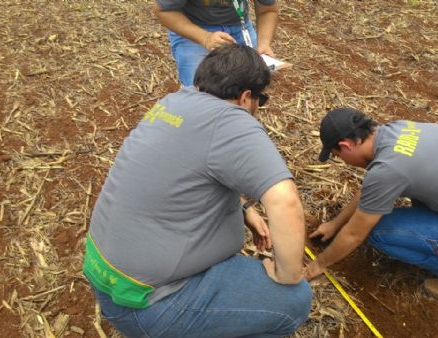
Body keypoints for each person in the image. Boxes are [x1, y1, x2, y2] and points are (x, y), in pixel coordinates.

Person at [83, 44, 312, 338]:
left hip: (109, 282)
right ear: (245, 98)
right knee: (293, 300)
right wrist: (287, 274)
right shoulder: (231, 121)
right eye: (261, 100)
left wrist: (244, 209)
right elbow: (285, 200)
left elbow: (185, 171)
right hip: (151, 305)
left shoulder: (173, 103)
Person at [304, 107, 438, 301]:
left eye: (337, 155)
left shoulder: (388, 169)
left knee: (378, 231)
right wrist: (335, 224)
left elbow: (355, 234)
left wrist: (319, 264)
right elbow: (372, 190)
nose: (342, 161)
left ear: (346, 146)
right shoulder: (396, 130)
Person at [154, 0, 278, 87]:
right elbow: (165, 11)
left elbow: (267, 11)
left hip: (239, 25)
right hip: (194, 27)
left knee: (252, 81)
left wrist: (264, 43)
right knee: (200, 88)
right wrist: (205, 38)